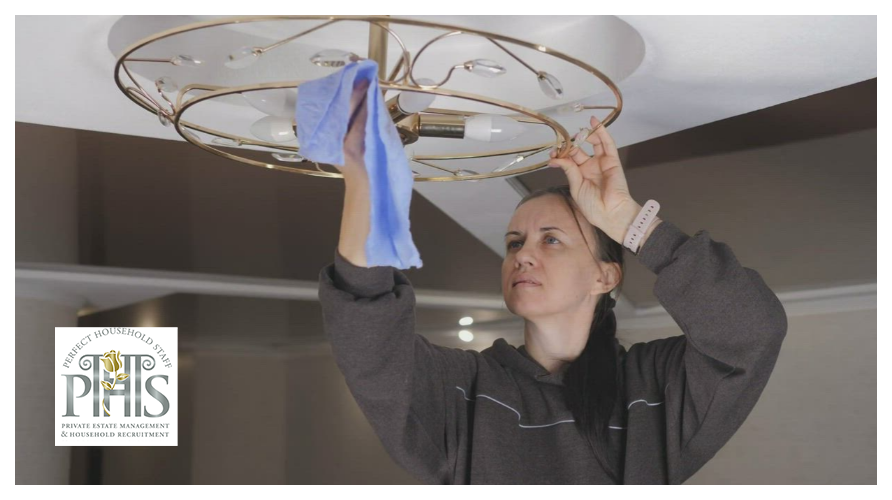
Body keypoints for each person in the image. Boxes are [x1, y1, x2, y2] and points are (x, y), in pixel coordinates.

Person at [317, 79, 788, 484]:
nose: (523, 255)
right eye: (515, 242)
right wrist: (365, 182)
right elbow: (368, 340)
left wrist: (629, 222)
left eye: (551, 241)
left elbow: (750, 331)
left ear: (605, 276)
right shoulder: (464, 388)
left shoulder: (653, 387)